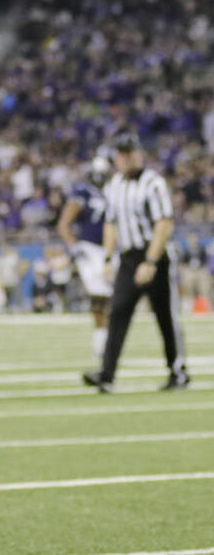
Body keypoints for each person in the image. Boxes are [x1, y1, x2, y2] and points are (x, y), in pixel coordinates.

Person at [84, 133, 188, 393]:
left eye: (130, 152)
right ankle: (107, 374)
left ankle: (178, 371)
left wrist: (151, 261)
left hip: (155, 256)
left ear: (139, 154)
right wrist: (108, 257)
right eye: (121, 153)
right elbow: (110, 223)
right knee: (117, 311)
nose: (126, 158)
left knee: (165, 316)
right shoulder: (115, 185)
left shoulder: (154, 183)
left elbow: (164, 222)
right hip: (128, 257)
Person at [58, 156, 113, 365]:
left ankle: (104, 341)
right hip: (90, 250)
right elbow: (64, 223)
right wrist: (74, 246)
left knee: (107, 298)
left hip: (109, 249)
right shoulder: (82, 192)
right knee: (100, 297)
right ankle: (101, 343)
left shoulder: (111, 191)